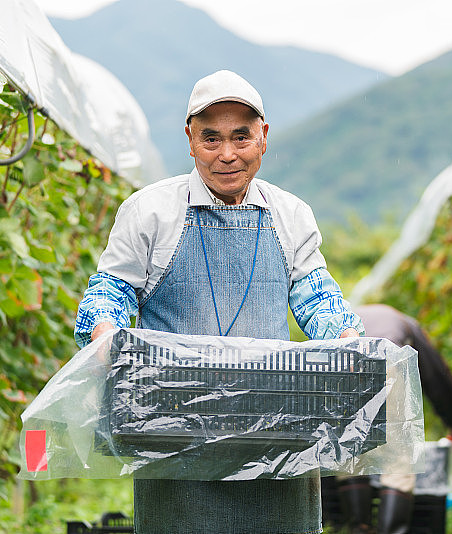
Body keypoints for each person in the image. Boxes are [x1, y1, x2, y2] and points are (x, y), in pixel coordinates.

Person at [74, 70, 363, 534]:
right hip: (175, 430)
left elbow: (317, 296)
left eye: (241, 137)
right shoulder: (151, 210)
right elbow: (110, 288)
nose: (227, 154)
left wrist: (347, 337)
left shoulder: (290, 214)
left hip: (276, 432)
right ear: (190, 140)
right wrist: (105, 329)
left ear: (263, 138)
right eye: (211, 138)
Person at [335, 304, 452, 534]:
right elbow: (437, 378)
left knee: (351, 450)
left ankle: (359, 527)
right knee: (399, 455)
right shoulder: (408, 325)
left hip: (344, 365)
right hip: (388, 359)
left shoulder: (347, 315)